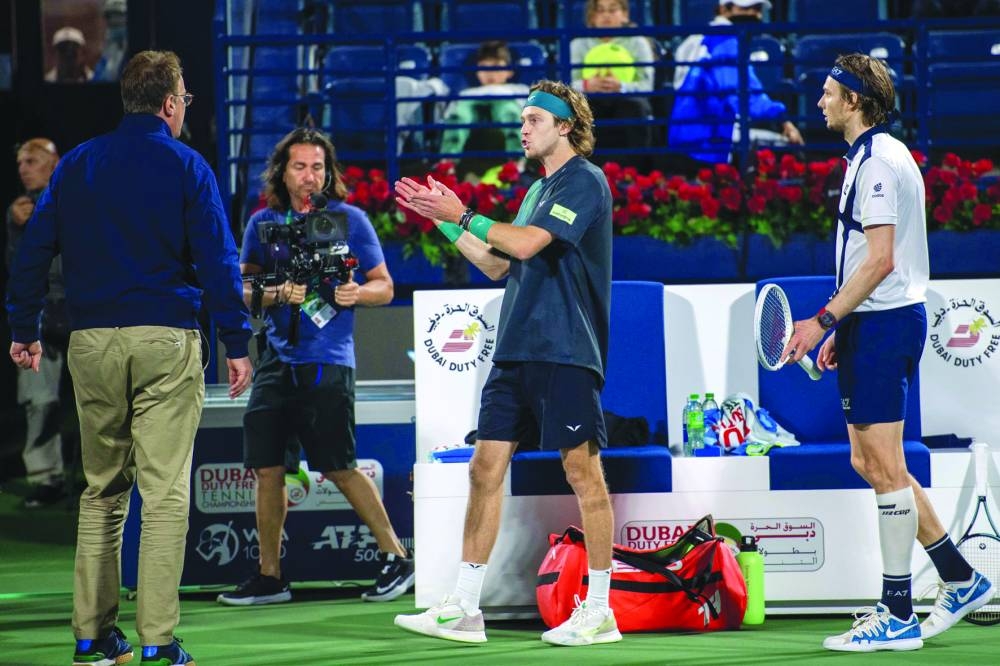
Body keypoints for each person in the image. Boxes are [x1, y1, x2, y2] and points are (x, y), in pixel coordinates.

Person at [6, 50, 253, 665]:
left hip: (92, 343)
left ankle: (91, 635)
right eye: (185, 100)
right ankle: (157, 642)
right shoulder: (187, 165)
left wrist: (24, 327)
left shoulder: (79, 163)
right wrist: (237, 342)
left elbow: (35, 249)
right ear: (170, 103)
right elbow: (219, 263)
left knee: (100, 492)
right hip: (166, 338)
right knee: (164, 494)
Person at [393, 80, 620, 647]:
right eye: (521, 120)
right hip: (515, 352)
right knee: (483, 469)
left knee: (583, 475)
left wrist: (463, 211)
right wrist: (442, 220)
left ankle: (599, 610)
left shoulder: (585, 181)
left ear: (565, 126)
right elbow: (499, 266)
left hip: (567, 350)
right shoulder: (535, 192)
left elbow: (522, 246)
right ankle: (465, 609)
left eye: (535, 119)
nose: (523, 128)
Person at [783, 53, 994, 653]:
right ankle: (960, 577)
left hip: (885, 324)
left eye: (828, 93)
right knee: (875, 463)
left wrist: (824, 321)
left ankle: (897, 610)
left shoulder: (877, 162)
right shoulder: (872, 156)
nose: (820, 101)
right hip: (870, 324)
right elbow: (863, 261)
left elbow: (879, 261)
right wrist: (842, 328)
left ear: (855, 100)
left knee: (881, 464)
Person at [217, 127, 412, 607]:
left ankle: (397, 558)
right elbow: (241, 290)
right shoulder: (262, 222)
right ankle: (270, 576)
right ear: (283, 172)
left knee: (339, 466)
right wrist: (275, 294)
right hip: (275, 362)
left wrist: (356, 294)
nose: (310, 176)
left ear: (329, 172)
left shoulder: (351, 220)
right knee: (267, 469)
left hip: (328, 363)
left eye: (318, 167)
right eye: (300, 166)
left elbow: (384, 286)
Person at [6, 137, 69, 508]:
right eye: (20, 163)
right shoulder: (20, 211)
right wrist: (15, 228)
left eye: (32, 160)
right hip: (41, 315)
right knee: (38, 400)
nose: (23, 168)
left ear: (54, 162)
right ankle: (47, 478)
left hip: (82, 309)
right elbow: (16, 269)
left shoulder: (75, 196)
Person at [669, 0, 803, 166]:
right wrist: (783, 119)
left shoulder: (692, 40)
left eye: (758, 9)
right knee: (789, 148)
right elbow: (745, 97)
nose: (756, 15)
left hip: (683, 134)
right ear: (724, 9)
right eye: (747, 9)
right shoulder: (726, 42)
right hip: (709, 138)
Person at [570, 0, 655, 165]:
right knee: (578, 110)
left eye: (612, 9)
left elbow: (647, 86)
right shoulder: (578, 44)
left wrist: (621, 86)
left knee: (636, 107)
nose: (606, 15)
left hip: (626, 100)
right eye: (600, 10)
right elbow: (568, 85)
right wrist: (587, 86)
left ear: (625, 14)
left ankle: (636, 172)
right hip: (589, 99)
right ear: (591, 17)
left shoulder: (638, 42)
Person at [439, 40, 530, 180]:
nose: (489, 73)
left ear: (509, 70)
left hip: (504, 103)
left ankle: (516, 163)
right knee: (459, 116)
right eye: (483, 67)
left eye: (495, 66)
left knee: (511, 114)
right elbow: (452, 113)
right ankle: (447, 164)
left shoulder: (517, 90)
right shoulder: (468, 93)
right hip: (471, 105)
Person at [93, 0, 128, 82]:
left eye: (119, 16)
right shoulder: (105, 58)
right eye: (110, 17)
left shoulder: (136, 54)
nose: (114, 20)